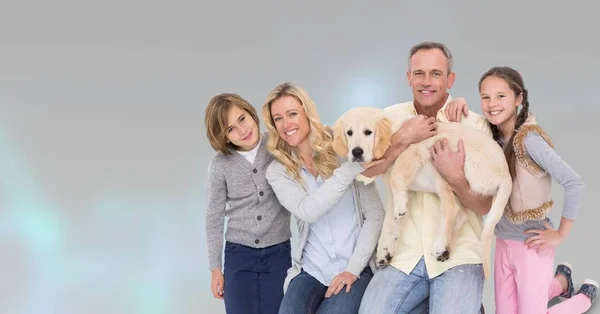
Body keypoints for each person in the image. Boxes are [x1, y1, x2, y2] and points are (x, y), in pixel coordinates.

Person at [445, 65, 597, 313]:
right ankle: (561, 282)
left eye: (501, 96)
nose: (492, 103)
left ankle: (584, 297)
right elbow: (469, 121)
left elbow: (574, 183)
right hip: (503, 241)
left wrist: (560, 234)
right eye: (485, 97)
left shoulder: (529, 141)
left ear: (519, 99)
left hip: (531, 245)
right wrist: (459, 101)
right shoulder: (493, 135)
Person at [357, 41, 493, 314]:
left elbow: (486, 205)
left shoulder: (473, 124)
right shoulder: (390, 118)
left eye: (436, 73)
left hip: (460, 253)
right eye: (419, 73)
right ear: (408, 77)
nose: (426, 82)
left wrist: (456, 178)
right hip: (403, 254)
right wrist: (402, 139)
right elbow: (363, 172)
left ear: (450, 79)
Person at [261, 82, 385, 314]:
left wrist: (353, 269)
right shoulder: (278, 171)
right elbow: (307, 210)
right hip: (313, 270)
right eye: (278, 118)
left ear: (307, 113)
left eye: (292, 114)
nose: (286, 124)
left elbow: (375, 216)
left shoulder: (343, 145)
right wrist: (351, 169)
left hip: (357, 267)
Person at [204, 93, 292, 314]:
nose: (242, 130)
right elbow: (213, 217)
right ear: (223, 137)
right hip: (239, 255)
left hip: (278, 252)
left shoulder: (277, 145)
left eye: (242, 119)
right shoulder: (220, 165)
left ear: (251, 113)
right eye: (231, 129)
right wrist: (215, 267)